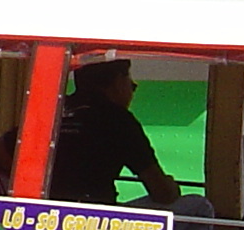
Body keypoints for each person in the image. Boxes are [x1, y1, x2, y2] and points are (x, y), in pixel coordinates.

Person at [47, 59, 180, 206]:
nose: (132, 92)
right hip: (96, 218)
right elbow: (162, 193)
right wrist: (172, 186)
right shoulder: (118, 120)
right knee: (199, 206)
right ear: (118, 82)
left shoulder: (49, 111)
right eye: (132, 86)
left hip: (41, 215)